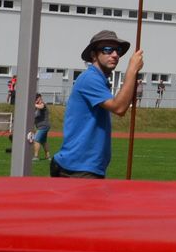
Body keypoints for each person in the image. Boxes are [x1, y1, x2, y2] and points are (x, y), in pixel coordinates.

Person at [50, 29, 144, 179]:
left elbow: (121, 105)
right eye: (107, 49)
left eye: (118, 50)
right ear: (94, 55)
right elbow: (119, 107)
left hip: (83, 168)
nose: (115, 54)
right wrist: (131, 70)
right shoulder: (90, 78)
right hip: (79, 169)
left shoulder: (99, 80)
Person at [30, 93, 51, 161]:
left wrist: (32, 104)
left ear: (39, 98)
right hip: (41, 126)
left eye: (37, 98)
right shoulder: (36, 107)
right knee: (44, 142)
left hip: (43, 126)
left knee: (36, 140)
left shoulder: (43, 105)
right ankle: (48, 156)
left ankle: (36, 156)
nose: (36, 100)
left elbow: (41, 107)